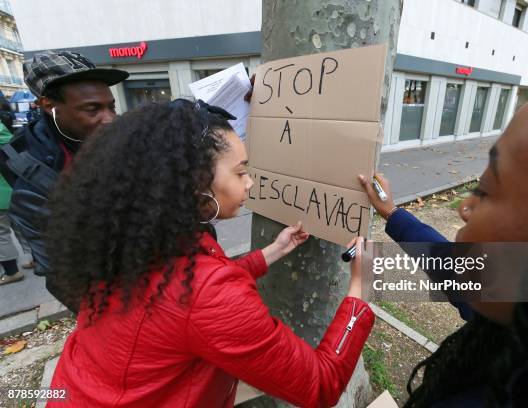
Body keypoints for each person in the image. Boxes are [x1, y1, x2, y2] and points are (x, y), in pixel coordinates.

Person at [44, 99, 374, 408]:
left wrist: (273, 251)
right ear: (197, 182)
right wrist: (359, 290)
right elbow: (321, 385)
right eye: (241, 172)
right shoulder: (205, 291)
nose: (250, 184)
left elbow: (187, 298)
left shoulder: (133, 244)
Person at [359, 59, 528, 406]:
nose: (464, 208)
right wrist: (391, 212)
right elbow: (451, 266)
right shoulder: (523, 327)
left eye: (489, 189)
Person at [0, 51, 128, 305]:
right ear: (49, 106)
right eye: (93, 109)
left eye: (111, 106)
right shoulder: (33, 175)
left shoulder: (111, 136)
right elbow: (61, 274)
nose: (110, 119)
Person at [0, 120, 21, 285]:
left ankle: (11, 271)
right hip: (14, 187)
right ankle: (33, 259)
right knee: (20, 226)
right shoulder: (4, 133)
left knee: (1, 234)